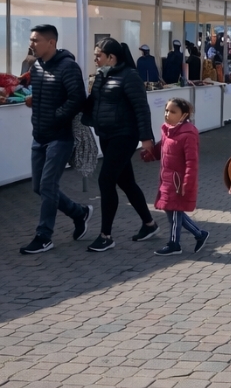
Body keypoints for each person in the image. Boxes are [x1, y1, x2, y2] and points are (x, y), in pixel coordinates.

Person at [20, 25, 92, 255]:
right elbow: (47, 95)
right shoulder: (37, 66)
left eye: (36, 40)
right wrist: (33, 101)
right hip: (39, 136)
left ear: (51, 43)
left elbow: (78, 99)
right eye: (31, 39)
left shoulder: (68, 67)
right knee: (38, 187)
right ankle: (79, 213)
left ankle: (44, 236)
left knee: (48, 185)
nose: (31, 44)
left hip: (60, 137)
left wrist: (55, 117)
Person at [85, 38, 158, 252]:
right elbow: (93, 102)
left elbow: (141, 108)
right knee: (126, 182)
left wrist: (146, 139)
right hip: (106, 134)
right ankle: (149, 224)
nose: (95, 59)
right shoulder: (101, 75)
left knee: (106, 181)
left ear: (111, 57)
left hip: (124, 136)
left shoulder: (130, 76)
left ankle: (106, 235)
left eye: (98, 55)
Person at [152, 98, 209, 256]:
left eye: (172, 111)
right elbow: (161, 150)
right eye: (166, 110)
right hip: (166, 179)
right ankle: (199, 234)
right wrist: (149, 153)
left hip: (178, 182)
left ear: (184, 115)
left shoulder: (188, 134)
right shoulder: (167, 130)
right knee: (171, 211)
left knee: (175, 213)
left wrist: (187, 183)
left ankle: (174, 244)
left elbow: (192, 161)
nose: (167, 114)